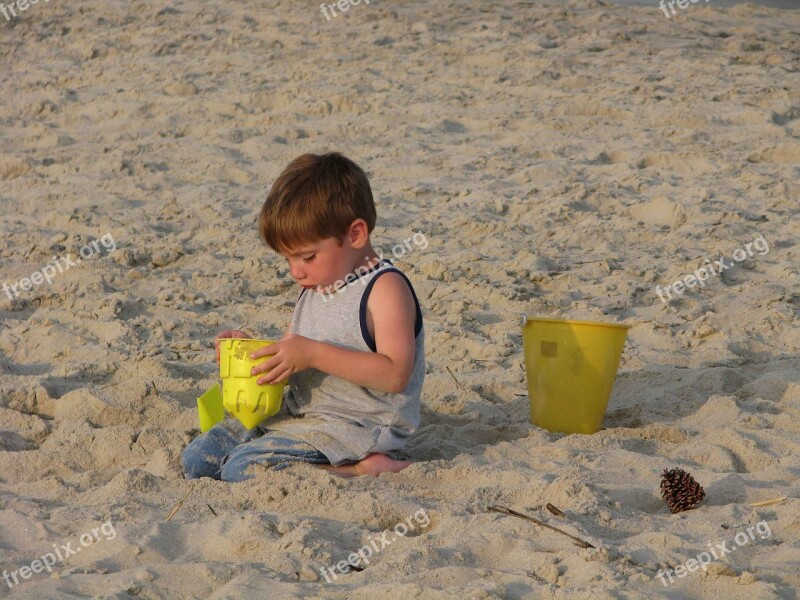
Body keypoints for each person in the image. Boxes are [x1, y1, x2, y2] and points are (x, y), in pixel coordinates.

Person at [181, 152, 424, 482]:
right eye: (288, 259)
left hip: (357, 426)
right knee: (198, 458)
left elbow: (396, 374)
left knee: (243, 470)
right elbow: (293, 354)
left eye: (307, 256)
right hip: (301, 415)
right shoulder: (317, 282)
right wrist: (250, 352)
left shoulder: (384, 288)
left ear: (355, 234)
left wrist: (313, 353)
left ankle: (361, 469)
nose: (296, 271)